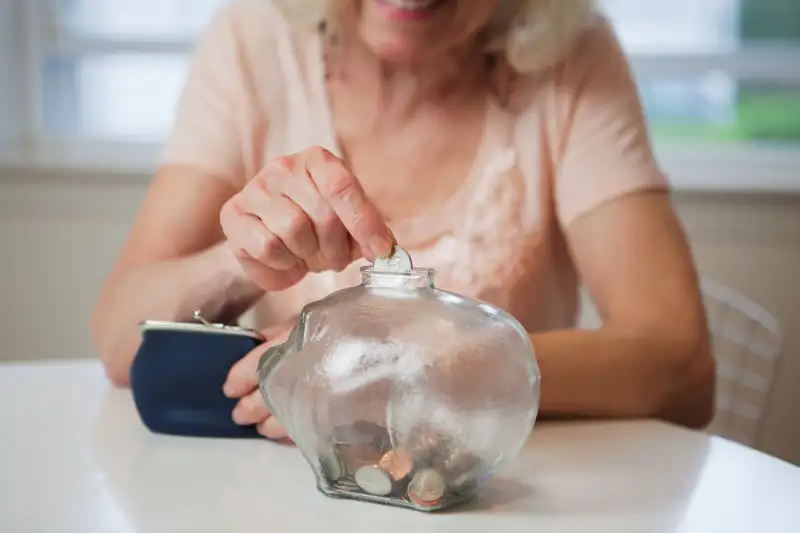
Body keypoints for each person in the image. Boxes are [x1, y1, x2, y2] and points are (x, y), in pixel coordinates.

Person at [91, 0, 716, 440]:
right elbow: (119, 338)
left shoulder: (574, 60)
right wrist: (242, 259)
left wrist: (424, 368)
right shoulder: (250, 44)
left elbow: (681, 367)